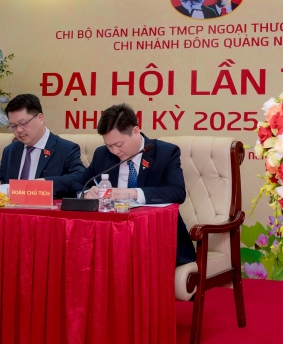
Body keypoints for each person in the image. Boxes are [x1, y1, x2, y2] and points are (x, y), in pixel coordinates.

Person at [75, 103, 196, 266]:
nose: (115, 151)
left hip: (155, 240)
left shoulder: (165, 153)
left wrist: (131, 193)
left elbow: (177, 192)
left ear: (136, 131)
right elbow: (79, 183)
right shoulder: (102, 155)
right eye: (109, 145)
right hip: (111, 240)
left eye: (119, 145)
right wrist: (86, 194)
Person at [0, 94, 86, 198]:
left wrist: (46, 183)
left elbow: (80, 176)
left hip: (45, 207)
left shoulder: (66, 149)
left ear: (40, 118)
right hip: (12, 206)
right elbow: (2, 179)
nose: (18, 130)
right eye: (13, 126)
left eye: (23, 123)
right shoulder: (10, 150)